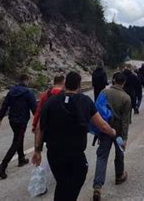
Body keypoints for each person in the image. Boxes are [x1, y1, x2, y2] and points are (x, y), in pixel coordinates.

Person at [32, 72, 116, 201]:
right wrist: (112, 132)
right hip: (75, 155)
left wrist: (37, 150)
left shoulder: (51, 102)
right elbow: (102, 125)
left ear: (65, 85)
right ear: (79, 85)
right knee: (74, 184)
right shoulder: (85, 101)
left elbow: (39, 127)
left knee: (61, 183)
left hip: (54, 154)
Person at [92, 73, 131, 201]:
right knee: (119, 154)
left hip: (105, 128)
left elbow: (96, 110)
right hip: (118, 130)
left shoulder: (104, 92)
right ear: (123, 83)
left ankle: (97, 186)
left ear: (113, 80)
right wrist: (124, 138)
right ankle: (119, 176)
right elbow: (125, 121)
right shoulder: (126, 98)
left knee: (102, 156)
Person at [0, 74, 37, 179]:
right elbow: (34, 108)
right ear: (27, 80)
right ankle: (2, 166)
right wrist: (38, 121)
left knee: (19, 137)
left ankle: (21, 158)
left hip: (12, 120)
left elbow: (4, 105)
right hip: (22, 121)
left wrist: (0, 118)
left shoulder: (11, 92)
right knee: (16, 141)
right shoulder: (28, 92)